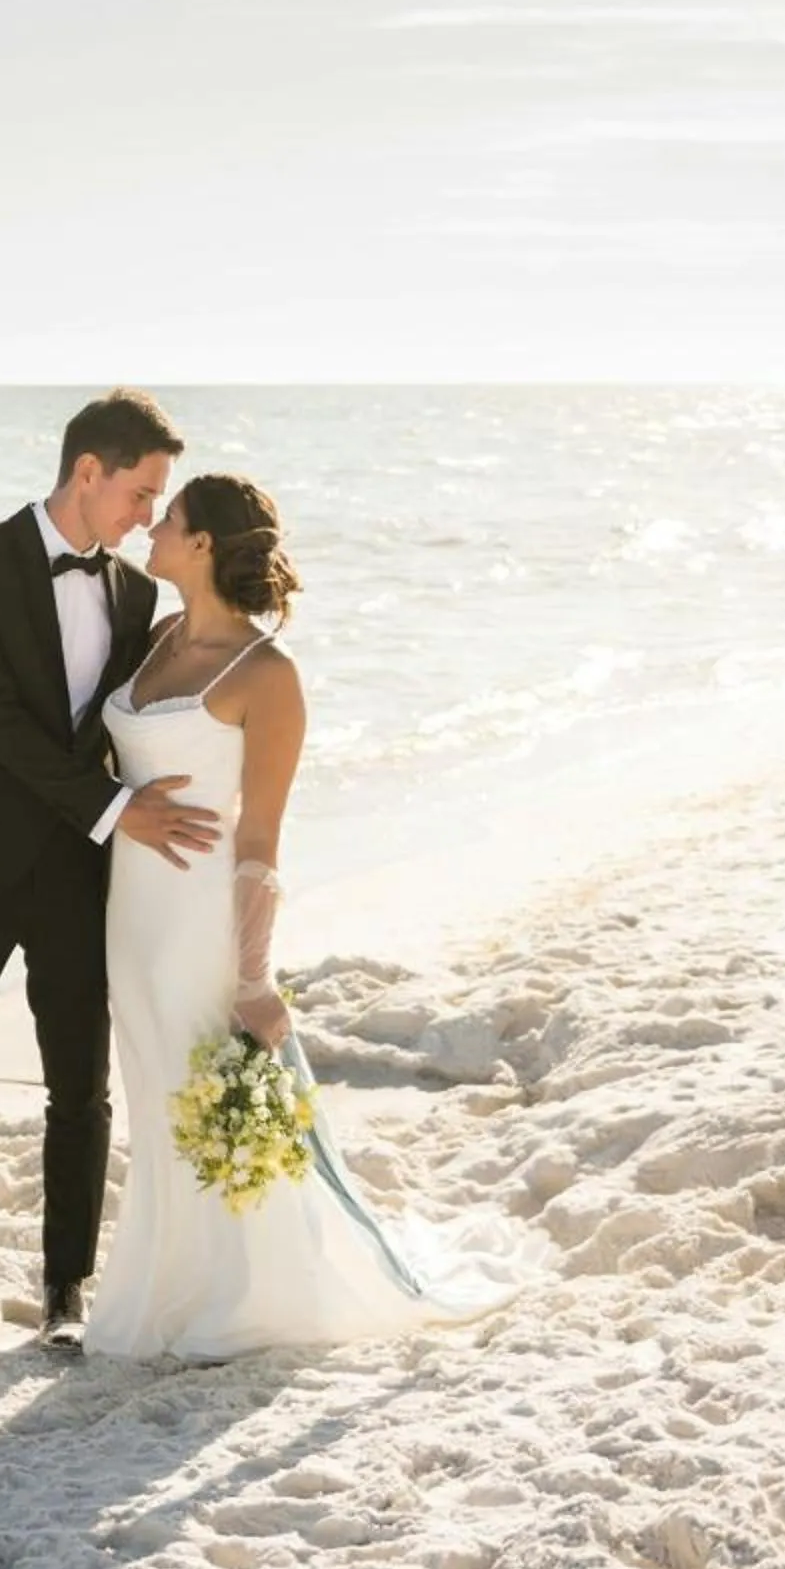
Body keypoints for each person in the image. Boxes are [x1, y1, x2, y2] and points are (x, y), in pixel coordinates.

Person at [83, 473, 530, 1360]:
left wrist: (252, 978)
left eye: (169, 519)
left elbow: (260, 839)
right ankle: (167, 1280)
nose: (152, 528)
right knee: (155, 1093)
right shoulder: (159, 635)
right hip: (129, 914)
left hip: (200, 922)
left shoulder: (268, 675)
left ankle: (244, 1293)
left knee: (209, 1099)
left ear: (204, 543)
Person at [0, 389, 219, 1379]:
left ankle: (66, 1295)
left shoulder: (139, 599)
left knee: (80, 1086)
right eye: (140, 493)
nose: (148, 515)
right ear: (88, 472)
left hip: (77, 876)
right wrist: (115, 808)